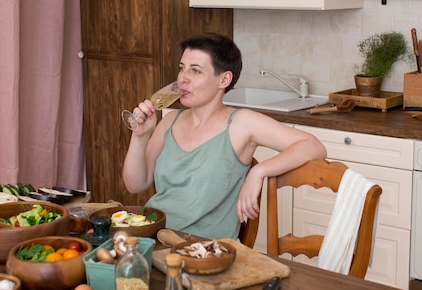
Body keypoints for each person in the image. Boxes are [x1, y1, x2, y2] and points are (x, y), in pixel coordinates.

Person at [123, 32, 326, 240]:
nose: (183, 79)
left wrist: (259, 172)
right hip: (150, 237)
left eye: (195, 71)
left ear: (224, 79)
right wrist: (140, 136)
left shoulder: (242, 124)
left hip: (203, 251)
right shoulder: (169, 120)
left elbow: (314, 146)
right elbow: (135, 185)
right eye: (181, 68)